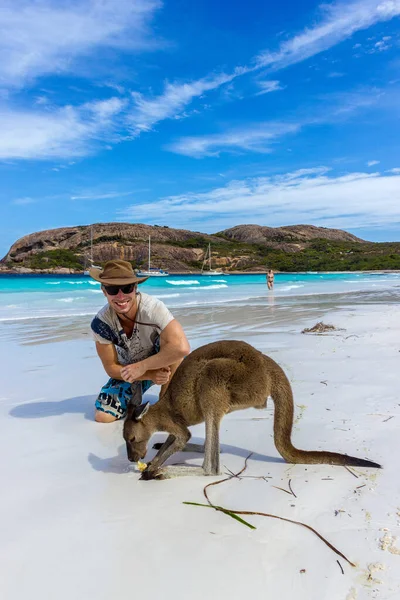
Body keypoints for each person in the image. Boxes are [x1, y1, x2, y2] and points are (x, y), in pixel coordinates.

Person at [89, 259, 190, 423]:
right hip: (130, 371)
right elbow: (111, 368)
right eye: (113, 289)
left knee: (173, 348)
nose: (121, 296)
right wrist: (148, 374)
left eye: (127, 288)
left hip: (161, 362)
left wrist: (143, 366)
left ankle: (165, 401)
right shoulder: (101, 324)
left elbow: (181, 348)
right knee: (103, 417)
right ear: (104, 290)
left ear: (135, 288)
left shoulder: (152, 308)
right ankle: (136, 395)